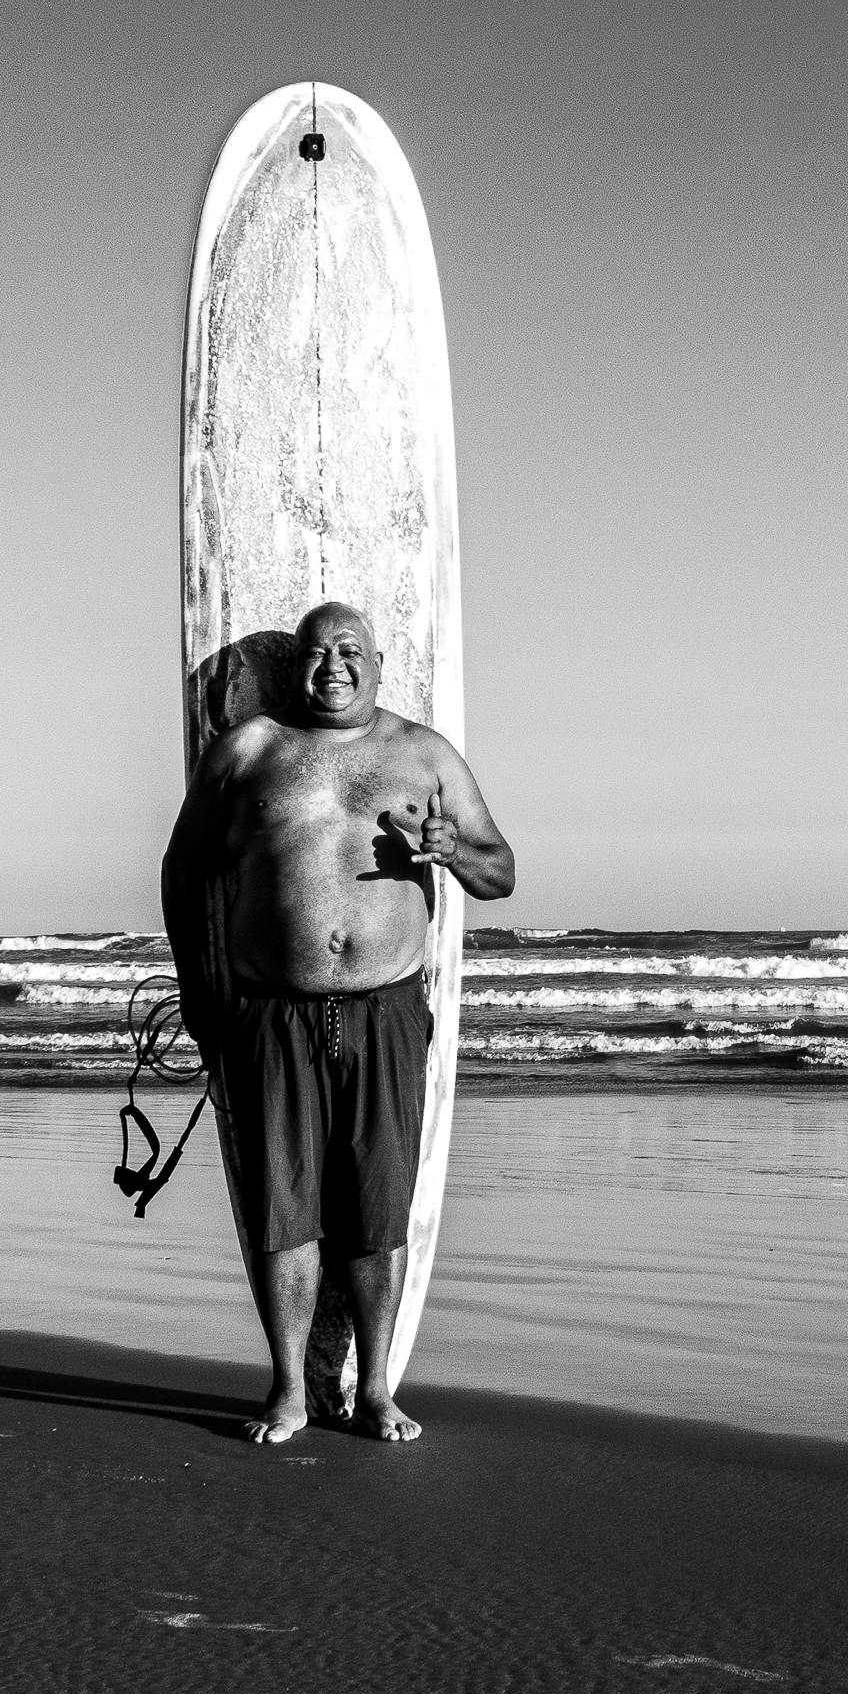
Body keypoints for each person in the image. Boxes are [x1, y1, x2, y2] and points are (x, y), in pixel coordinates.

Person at [161, 601, 515, 1445]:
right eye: (318, 654)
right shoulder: (249, 752)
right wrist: (205, 998)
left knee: (376, 1209)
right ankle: (287, 1389)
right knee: (281, 1208)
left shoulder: (423, 754)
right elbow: (184, 872)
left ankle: (379, 1389)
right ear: (297, 668)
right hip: (270, 1013)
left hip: (386, 1011)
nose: (333, 668)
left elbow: (500, 871)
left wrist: (450, 853)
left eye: (350, 652)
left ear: (379, 662)